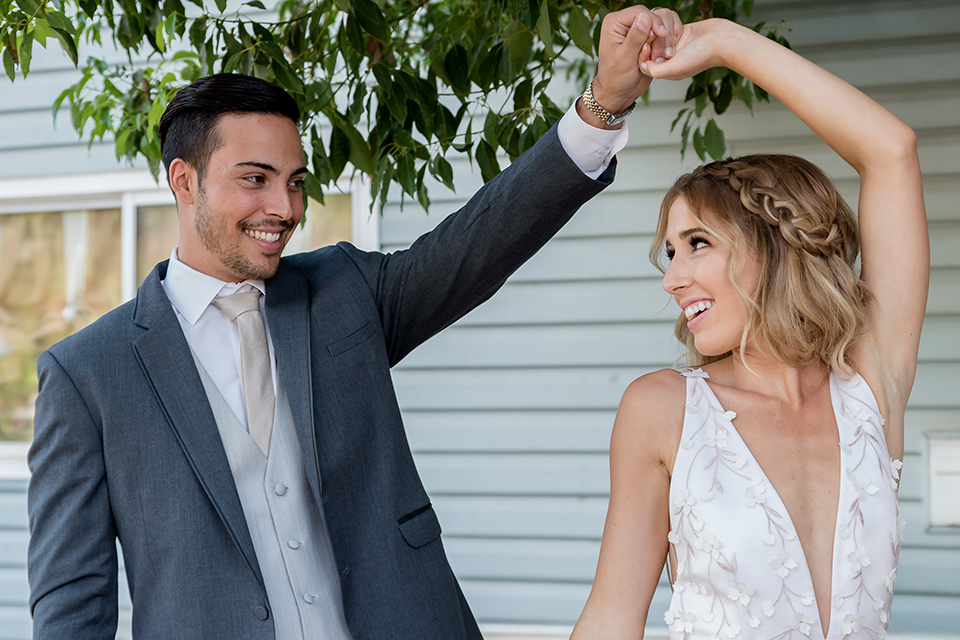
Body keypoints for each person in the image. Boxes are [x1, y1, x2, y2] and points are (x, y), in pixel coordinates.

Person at [26, 6, 683, 640]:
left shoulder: (343, 292)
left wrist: (602, 105)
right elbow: (72, 603)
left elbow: (480, 243)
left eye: (295, 181)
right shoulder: (87, 374)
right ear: (184, 181)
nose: (283, 207)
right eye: (254, 179)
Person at [571, 16, 926, 640]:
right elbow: (609, 620)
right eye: (671, 253)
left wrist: (725, 44)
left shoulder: (871, 385)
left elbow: (890, 150)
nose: (672, 280)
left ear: (771, 247)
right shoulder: (662, 410)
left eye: (697, 243)